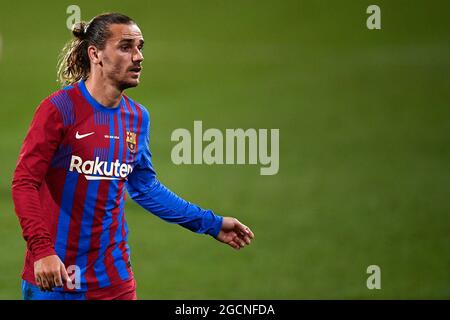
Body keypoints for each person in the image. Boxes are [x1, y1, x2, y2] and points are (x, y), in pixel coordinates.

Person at [12, 12, 254, 300]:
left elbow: (144, 187)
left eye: (140, 47)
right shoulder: (60, 110)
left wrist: (211, 223)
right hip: (56, 275)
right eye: (126, 47)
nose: (138, 56)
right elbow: (25, 182)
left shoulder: (136, 118)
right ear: (96, 54)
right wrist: (42, 251)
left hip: (114, 279)